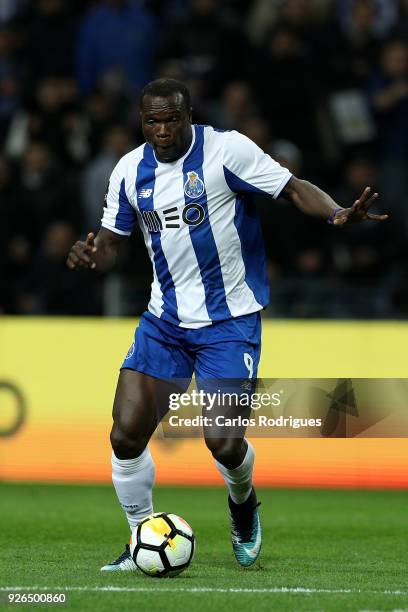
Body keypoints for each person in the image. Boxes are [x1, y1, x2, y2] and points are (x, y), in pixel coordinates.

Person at [66, 78, 387, 571]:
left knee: (223, 443)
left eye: (172, 119)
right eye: (152, 121)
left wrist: (337, 212)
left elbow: (293, 188)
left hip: (228, 323)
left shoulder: (227, 150)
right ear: (141, 121)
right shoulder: (130, 171)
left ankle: (244, 506)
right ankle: (140, 538)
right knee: (125, 434)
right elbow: (112, 242)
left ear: (189, 114)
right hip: (164, 322)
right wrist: (92, 255)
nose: (162, 130)